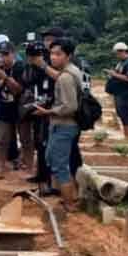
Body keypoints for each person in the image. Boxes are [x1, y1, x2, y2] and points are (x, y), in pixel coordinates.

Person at [32, 39, 83, 214]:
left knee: (59, 164)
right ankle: (69, 196)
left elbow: (70, 106)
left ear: (68, 56)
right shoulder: (70, 72)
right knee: (53, 159)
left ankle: (70, 202)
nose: (53, 57)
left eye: (58, 54)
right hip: (64, 125)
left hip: (64, 125)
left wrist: (48, 112)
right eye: (52, 53)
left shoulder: (66, 77)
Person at [0, 41, 24, 181]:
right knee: (1, 139)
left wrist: (4, 77)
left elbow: (18, 90)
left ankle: (26, 166)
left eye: (6, 54)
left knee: (25, 139)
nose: (3, 58)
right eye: (0, 55)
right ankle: (0, 169)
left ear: (13, 53)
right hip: (4, 107)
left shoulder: (20, 67)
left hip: (20, 108)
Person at [106, 42, 128, 141]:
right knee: (122, 115)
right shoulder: (122, 62)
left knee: (127, 115)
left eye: (117, 53)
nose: (116, 56)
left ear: (122, 51)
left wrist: (114, 74)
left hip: (126, 94)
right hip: (119, 93)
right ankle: (127, 137)